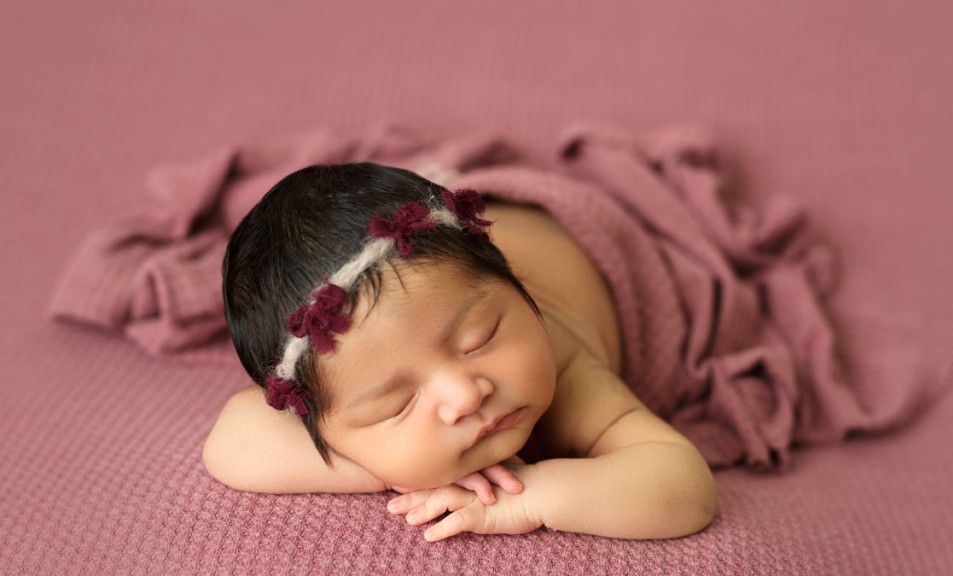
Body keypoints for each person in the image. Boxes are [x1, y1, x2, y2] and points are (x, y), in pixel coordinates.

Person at [203, 162, 716, 541]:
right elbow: (230, 441)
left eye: (481, 338)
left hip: (580, 235)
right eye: (396, 404)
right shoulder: (348, 364)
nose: (466, 396)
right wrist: (394, 465)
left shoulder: (562, 362)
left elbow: (682, 485)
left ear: (518, 295)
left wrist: (536, 493)